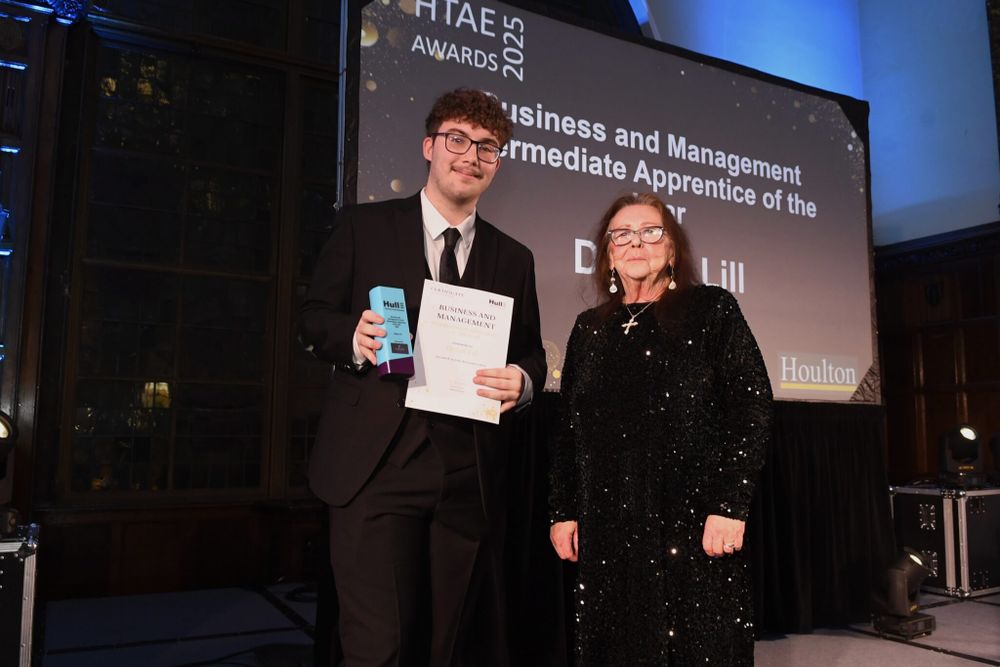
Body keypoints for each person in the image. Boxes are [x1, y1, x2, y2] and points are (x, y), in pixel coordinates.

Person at [300, 88, 546, 666]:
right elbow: (315, 318)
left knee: (448, 645)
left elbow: (532, 351)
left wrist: (524, 381)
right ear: (428, 147)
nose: (472, 156)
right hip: (376, 468)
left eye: (488, 147)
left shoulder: (516, 257)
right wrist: (354, 341)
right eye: (458, 140)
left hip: (469, 474)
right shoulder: (364, 226)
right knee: (379, 646)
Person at [548, 192, 772, 665]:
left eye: (651, 232)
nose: (636, 243)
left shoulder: (711, 310)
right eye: (622, 235)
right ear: (609, 253)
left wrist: (730, 504)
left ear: (672, 249)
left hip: (692, 528)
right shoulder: (588, 329)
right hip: (608, 533)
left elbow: (751, 409)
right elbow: (568, 429)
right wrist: (562, 510)